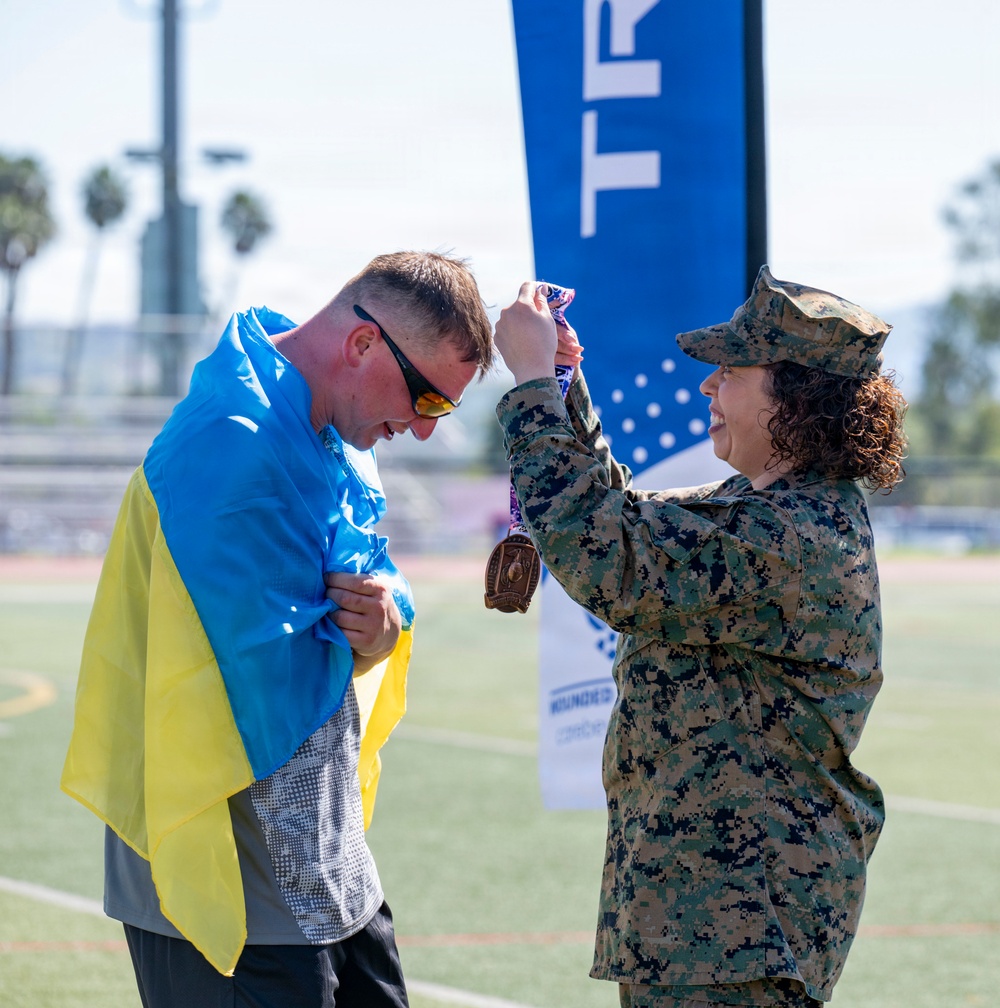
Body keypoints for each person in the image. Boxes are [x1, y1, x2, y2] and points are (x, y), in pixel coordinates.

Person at [61, 250, 494, 1008]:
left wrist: (385, 619)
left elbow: (361, 575)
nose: (424, 431)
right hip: (221, 863)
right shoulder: (234, 442)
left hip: (321, 856)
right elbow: (263, 680)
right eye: (427, 400)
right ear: (363, 346)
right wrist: (364, 629)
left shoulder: (320, 425)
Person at [492, 266, 908, 1008]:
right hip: (708, 923)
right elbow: (619, 513)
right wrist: (563, 387)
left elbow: (605, 552)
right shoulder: (766, 512)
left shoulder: (790, 538)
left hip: (737, 931)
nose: (709, 388)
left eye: (731, 372)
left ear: (796, 397)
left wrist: (528, 389)